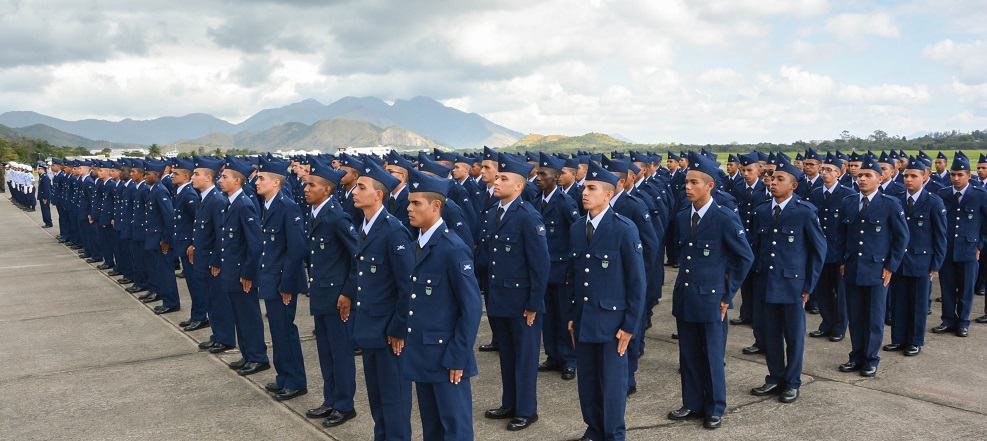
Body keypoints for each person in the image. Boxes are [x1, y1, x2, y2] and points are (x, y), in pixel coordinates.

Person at [667, 153, 753, 430]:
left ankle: (715, 407)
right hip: (686, 296)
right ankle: (692, 403)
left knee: (712, 356)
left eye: (694, 182)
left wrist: (727, 294)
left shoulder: (724, 217)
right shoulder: (683, 217)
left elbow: (745, 258)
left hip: (712, 299)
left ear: (710, 185)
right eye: (686, 182)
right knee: (688, 354)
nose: (687, 187)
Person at [397, 169, 482, 441]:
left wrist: (458, 356)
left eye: (416, 203)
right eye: (409, 203)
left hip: (447, 357)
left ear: (435, 206)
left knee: (455, 430)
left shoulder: (452, 248)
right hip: (423, 354)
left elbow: (471, 308)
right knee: (432, 429)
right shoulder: (417, 246)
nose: (409, 209)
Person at [566, 160, 646, 441]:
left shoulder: (624, 229)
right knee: (587, 381)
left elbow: (637, 282)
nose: (584, 192)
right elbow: (574, 277)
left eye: (592, 188)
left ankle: (613, 433)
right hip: (585, 318)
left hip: (613, 323)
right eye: (584, 187)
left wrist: (629, 326)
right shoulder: (577, 228)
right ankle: (594, 428)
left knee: (612, 385)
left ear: (608, 194)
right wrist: (572, 316)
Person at [479, 153, 550, 431]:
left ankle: (526, 410)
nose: (497, 182)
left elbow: (540, 265)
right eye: (497, 177)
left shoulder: (528, 217)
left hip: (522, 303)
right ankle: (509, 403)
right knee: (507, 356)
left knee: (525, 358)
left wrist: (534, 303)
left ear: (518, 186)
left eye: (503, 178)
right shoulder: (493, 213)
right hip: (500, 299)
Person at [748, 157, 825, 403]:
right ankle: (775, 377)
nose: (773, 182)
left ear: (793, 185)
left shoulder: (804, 211)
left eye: (780, 179)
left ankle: (792, 381)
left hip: (793, 285)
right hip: (766, 283)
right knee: (770, 334)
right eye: (772, 178)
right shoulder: (761, 210)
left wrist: (809, 286)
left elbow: (818, 251)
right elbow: (755, 247)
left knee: (793, 336)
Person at [349, 159, 414, 440]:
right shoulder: (366, 227)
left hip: (388, 332)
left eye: (361, 187)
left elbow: (407, 287)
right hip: (370, 328)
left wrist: (399, 328)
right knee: (377, 399)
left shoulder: (393, 231)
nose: (354, 191)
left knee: (394, 399)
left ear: (378, 195)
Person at [836, 154, 908, 378]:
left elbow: (901, 238)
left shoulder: (890, 204)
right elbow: (840, 235)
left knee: (874, 318)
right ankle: (856, 356)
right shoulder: (848, 202)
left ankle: (870, 359)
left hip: (877, 270)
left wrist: (891, 266)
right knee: (855, 316)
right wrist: (842, 261)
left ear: (880, 178)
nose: (862, 179)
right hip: (853, 268)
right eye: (860, 175)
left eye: (868, 175)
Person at [303, 157, 360, 428]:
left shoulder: (337, 217)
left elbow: (357, 257)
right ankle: (330, 399)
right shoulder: (315, 214)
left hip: (338, 299)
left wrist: (348, 293)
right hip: (321, 294)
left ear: (327, 189)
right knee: (325, 352)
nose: (306, 189)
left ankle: (345, 405)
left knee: (341, 353)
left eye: (311, 185)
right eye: (306, 184)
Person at [254, 156, 308, 401]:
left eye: (261, 178)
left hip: (283, 282)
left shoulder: (287, 206)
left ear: (276, 182)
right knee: (277, 330)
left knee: (285, 330)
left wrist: (287, 284)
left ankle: (295, 381)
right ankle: (283, 376)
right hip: (271, 279)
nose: (257, 182)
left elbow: (296, 249)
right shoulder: (268, 204)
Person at [884, 158, 946, 356]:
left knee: (918, 303)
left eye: (913, 176)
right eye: (906, 176)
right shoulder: (896, 200)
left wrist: (935, 265)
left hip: (922, 261)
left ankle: (915, 341)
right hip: (899, 260)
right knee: (898, 302)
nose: (908, 180)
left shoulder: (933, 201)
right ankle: (898, 339)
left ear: (924, 177)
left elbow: (940, 236)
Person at [218, 158, 270, 376]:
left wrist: (248, 273)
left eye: (224, 177)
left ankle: (258, 357)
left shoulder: (244, 204)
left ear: (237, 181)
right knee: (239, 315)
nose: (220, 180)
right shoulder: (231, 202)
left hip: (242, 274)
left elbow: (255, 244)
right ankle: (248, 354)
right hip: (233, 271)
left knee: (249, 316)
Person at [534, 153, 580, 381]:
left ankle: (569, 360)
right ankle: (553, 355)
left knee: (563, 317)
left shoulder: (565, 202)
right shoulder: (536, 200)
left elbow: (576, 235)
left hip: (562, 271)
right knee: (548, 316)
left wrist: (573, 268)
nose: (538, 177)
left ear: (555, 177)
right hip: (544, 271)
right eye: (537, 173)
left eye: (543, 174)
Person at [932, 152, 987, 337]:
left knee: (966, 288)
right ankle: (948, 320)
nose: (956, 178)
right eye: (953, 174)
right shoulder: (943, 194)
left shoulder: (980, 195)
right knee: (947, 287)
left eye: (960, 175)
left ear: (969, 176)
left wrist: (979, 245)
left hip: (969, 249)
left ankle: (963, 322)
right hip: (947, 249)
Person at [808, 154, 855, 342]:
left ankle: (839, 327)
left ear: (839, 173)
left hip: (839, 251)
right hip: (821, 251)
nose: (825, 173)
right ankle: (826, 323)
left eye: (830, 170)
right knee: (823, 291)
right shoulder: (815, 193)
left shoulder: (847, 194)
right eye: (823, 170)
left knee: (841, 293)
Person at [141, 159, 181, 315]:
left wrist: (166, 240)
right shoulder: (153, 189)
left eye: (148, 174)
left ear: (156, 175)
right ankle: (165, 299)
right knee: (159, 270)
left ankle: (171, 302)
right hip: (154, 238)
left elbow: (169, 217)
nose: (145, 176)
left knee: (166, 272)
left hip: (161, 240)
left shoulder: (160, 190)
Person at [37, 163, 53, 228]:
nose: (38, 170)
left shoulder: (45, 177)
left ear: (42, 169)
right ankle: (46, 222)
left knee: (46, 210)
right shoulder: (42, 176)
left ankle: (49, 223)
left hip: (44, 197)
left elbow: (46, 189)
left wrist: (45, 198)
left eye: (39, 169)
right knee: (44, 210)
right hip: (42, 196)